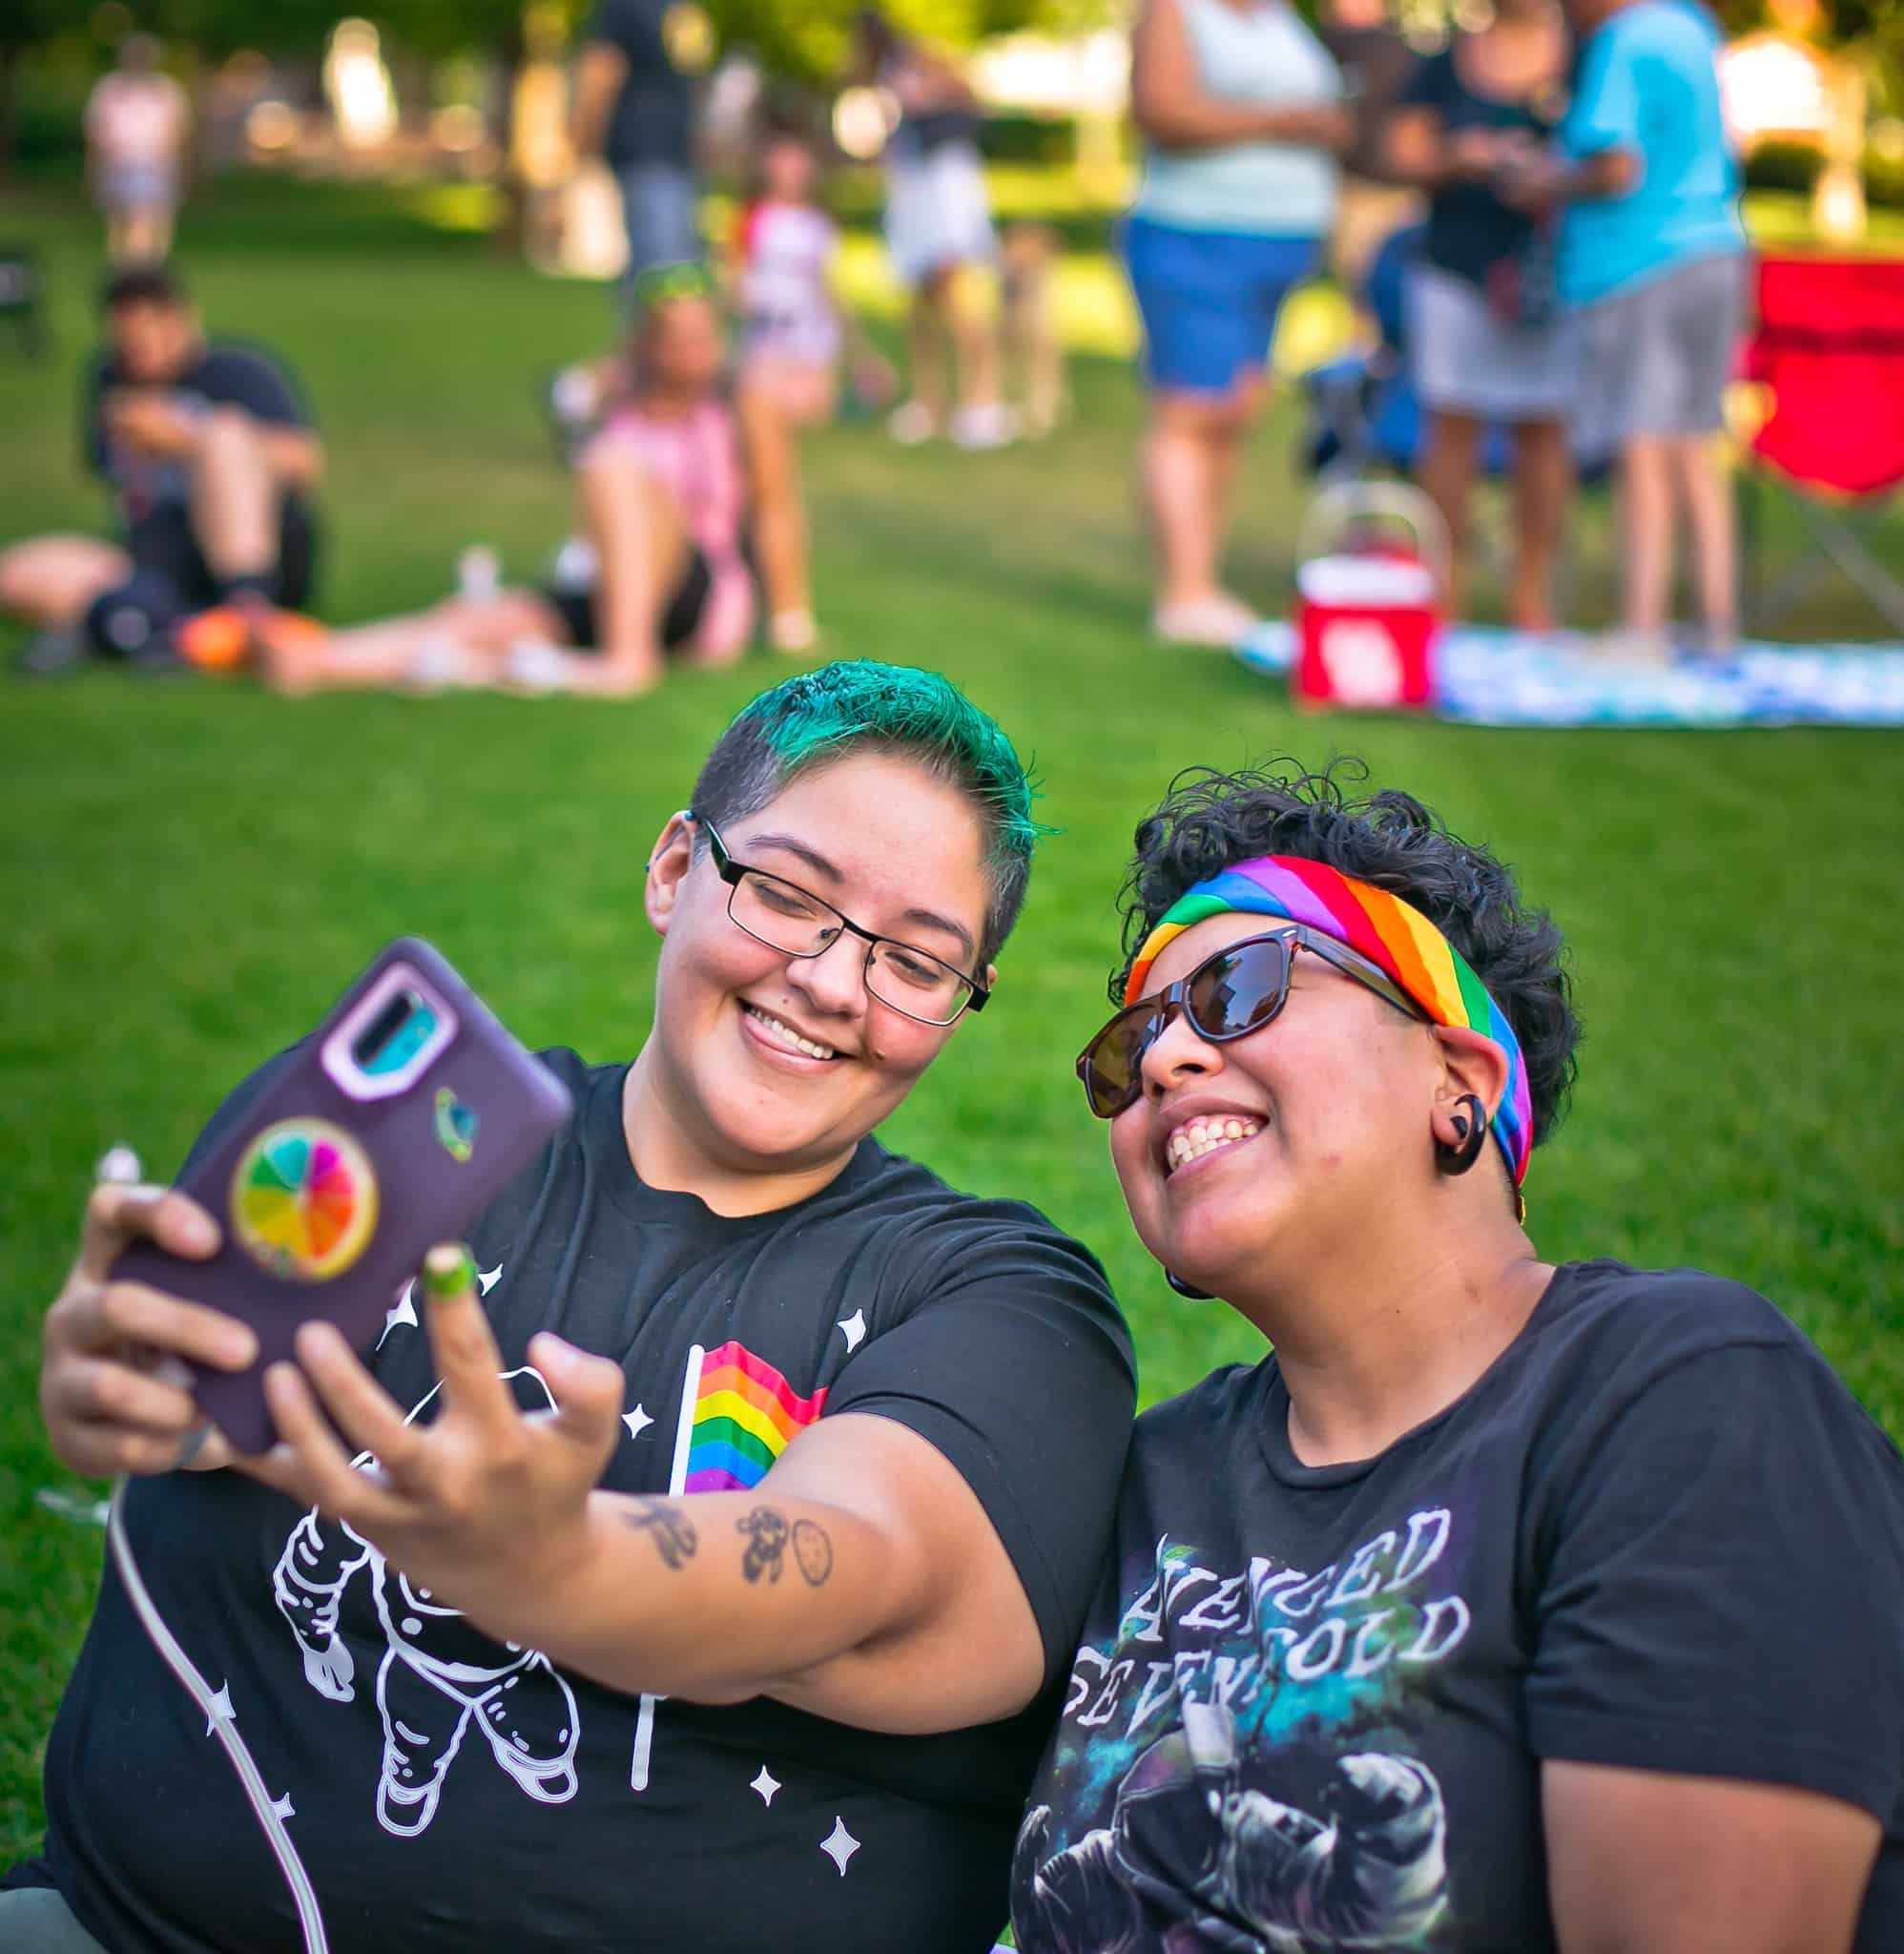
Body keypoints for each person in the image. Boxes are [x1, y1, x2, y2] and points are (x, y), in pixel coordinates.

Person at [5, 660, 1137, 1954]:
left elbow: (861, 1568)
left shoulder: (1000, 1299)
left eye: (916, 963)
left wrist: (552, 1566)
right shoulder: (404, 1142)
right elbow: (192, 1394)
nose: (833, 983)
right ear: (673, 870)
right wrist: (129, 1385)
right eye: (784, 895)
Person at [1011, 760, 1904, 1951]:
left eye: (1237, 989)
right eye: (1132, 1045)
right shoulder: (1134, 1480)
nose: (1165, 1062)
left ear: (1458, 1083)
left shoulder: (1675, 1402)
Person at [260, 269, 813, 697]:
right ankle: (321, 661)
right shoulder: (621, 402)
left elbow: (774, 509)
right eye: (676, 339)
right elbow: (572, 414)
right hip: (605, 582)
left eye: (702, 337)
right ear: (646, 344)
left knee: (611, 464)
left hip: (694, 587)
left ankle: (628, 663)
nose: (692, 352)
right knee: (478, 620)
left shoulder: (738, 407)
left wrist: (789, 616)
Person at [1500, 0, 1749, 656]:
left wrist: (1544, 183)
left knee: (1642, 442)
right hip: (1717, 247)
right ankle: (1716, 625)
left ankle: (1641, 629)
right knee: (1696, 442)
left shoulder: (1622, 42)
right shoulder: (1692, 27)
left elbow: (1616, 166)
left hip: (1641, 261)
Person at [1124, 0, 1351, 647]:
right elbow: (1162, 111)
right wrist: (1285, 122)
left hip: (1274, 246)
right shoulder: (1175, 11)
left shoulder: (1280, 17)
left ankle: (1205, 582)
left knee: (1233, 412)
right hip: (1195, 238)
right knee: (1191, 410)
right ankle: (1182, 592)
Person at [0, 262, 322, 678]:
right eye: (127, 338)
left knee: (224, 434)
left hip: (261, 551)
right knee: (16, 575)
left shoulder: (236, 370)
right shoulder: (109, 379)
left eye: (149, 332)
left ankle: (247, 611)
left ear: (181, 318)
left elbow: (304, 463)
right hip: (157, 561)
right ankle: (163, 627)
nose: (139, 348)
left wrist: (183, 437)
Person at [1387, 0, 1574, 628]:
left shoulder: (1582, 56)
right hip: (1455, 267)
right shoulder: (1446, 61)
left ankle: (1532, 594)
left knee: (1544, 430)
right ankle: (1442, 590)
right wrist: (1458, 156)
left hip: (1548, 280)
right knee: (1452, 431)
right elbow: (1401, 154)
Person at [851, 10, 1013, 451]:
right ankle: (930, 401)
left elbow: (967, 106)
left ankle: (984, 400)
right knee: (920, 305)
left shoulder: (923, 64)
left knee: (959, 299)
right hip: (913, 195)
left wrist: (923, 99)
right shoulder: (883, 78)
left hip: (945, 197)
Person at [730, 127, 894, 431]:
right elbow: (737, 271)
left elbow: (828, 282)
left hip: (809, 330)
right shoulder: (754, 216)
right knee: (768, 404)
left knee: (811, 409)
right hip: (768, 329)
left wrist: (859, 348)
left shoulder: (818, 222)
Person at [569, 0, 703, 301]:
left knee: (666, 277)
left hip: (676, 158)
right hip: (645, 153)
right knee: (663, 283)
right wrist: (583, 142)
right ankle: (647, 347)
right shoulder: (624, 6)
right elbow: (601, 70)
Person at [1317, 0, 1421, 297]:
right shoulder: (1326, 45)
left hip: (1393, 194)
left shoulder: (1397, 48)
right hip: (1350, 190)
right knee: (1360, 293)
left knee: (1389, 294)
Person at [85, 34, 190, 265]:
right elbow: (96, 129)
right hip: (118, 163)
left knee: (151, 220)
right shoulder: (110, 88)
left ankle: (144, 269)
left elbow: (178, 129)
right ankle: (130, 270)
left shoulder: (166, 89)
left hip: (155, 164)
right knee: (122, 221)